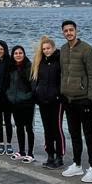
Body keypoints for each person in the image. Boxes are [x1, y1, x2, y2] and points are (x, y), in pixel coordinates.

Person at [59, 20, 92, 182]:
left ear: (76, 31)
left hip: (84, 99)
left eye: (71, 30)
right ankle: (77, 164)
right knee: (74, 133)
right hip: (68, 99)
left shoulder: (87, 49)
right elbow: (62, 73)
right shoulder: (62, 49)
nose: (69, 33)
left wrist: (90, 98)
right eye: (66, 31)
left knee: (89, 135)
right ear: (63, 32)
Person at [32, 36, 63, 169]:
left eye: (48, 48)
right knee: (47, 129)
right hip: (43, 100)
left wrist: (59, 95)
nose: (46, 51)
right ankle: (50, 154)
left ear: (53, 47)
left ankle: (59, 157)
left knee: (57, 129)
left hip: (56, 101)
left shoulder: (59, 60)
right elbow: (36, 80)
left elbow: (63, 79)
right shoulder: (41, 62)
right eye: (44, 49)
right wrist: (36, 95)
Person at [7, 44, 36, 163]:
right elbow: (7, 84)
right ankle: (21, 151)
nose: (18, 55)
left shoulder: (29, 67)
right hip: (15, 102)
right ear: (12, 55)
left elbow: (34, 86)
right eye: (16, 53)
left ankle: (30, 153)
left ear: (24, 54)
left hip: (27, 103)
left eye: (20, 53)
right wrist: (8, 95)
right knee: (19, 127)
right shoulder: (11, 68)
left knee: (29, 128)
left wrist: (28, 97)